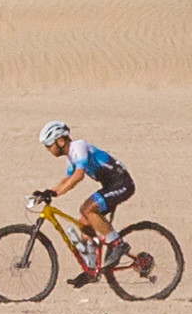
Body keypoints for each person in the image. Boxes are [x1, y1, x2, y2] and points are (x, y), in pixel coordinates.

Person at [36, 121, 134, 285]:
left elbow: (78, 175)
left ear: (60, 141)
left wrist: (57, 193)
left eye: (48, 145)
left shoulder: (78, 146)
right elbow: (67, 179)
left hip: (122, 183)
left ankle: (118, 244)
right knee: (84, 224)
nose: (47, 149)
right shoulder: (70, 156)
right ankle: (91, 270)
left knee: (87, 209)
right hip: (110, 185)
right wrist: (48, 191)